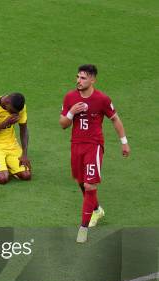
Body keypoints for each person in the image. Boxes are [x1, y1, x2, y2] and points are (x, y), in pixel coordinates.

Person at [59, 64, 131, 243]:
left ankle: (83, 228)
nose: (78, 81)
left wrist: (124, 142)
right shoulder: (70, 97)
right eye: (78, 77)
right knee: (81, 182)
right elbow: (62, 124)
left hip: (94, 146)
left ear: (92, 80)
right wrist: (71, 112)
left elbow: (115, 119)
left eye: (83, 78)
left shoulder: (102, 99)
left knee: (90, 185)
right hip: (76, 145)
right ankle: (97, 210)